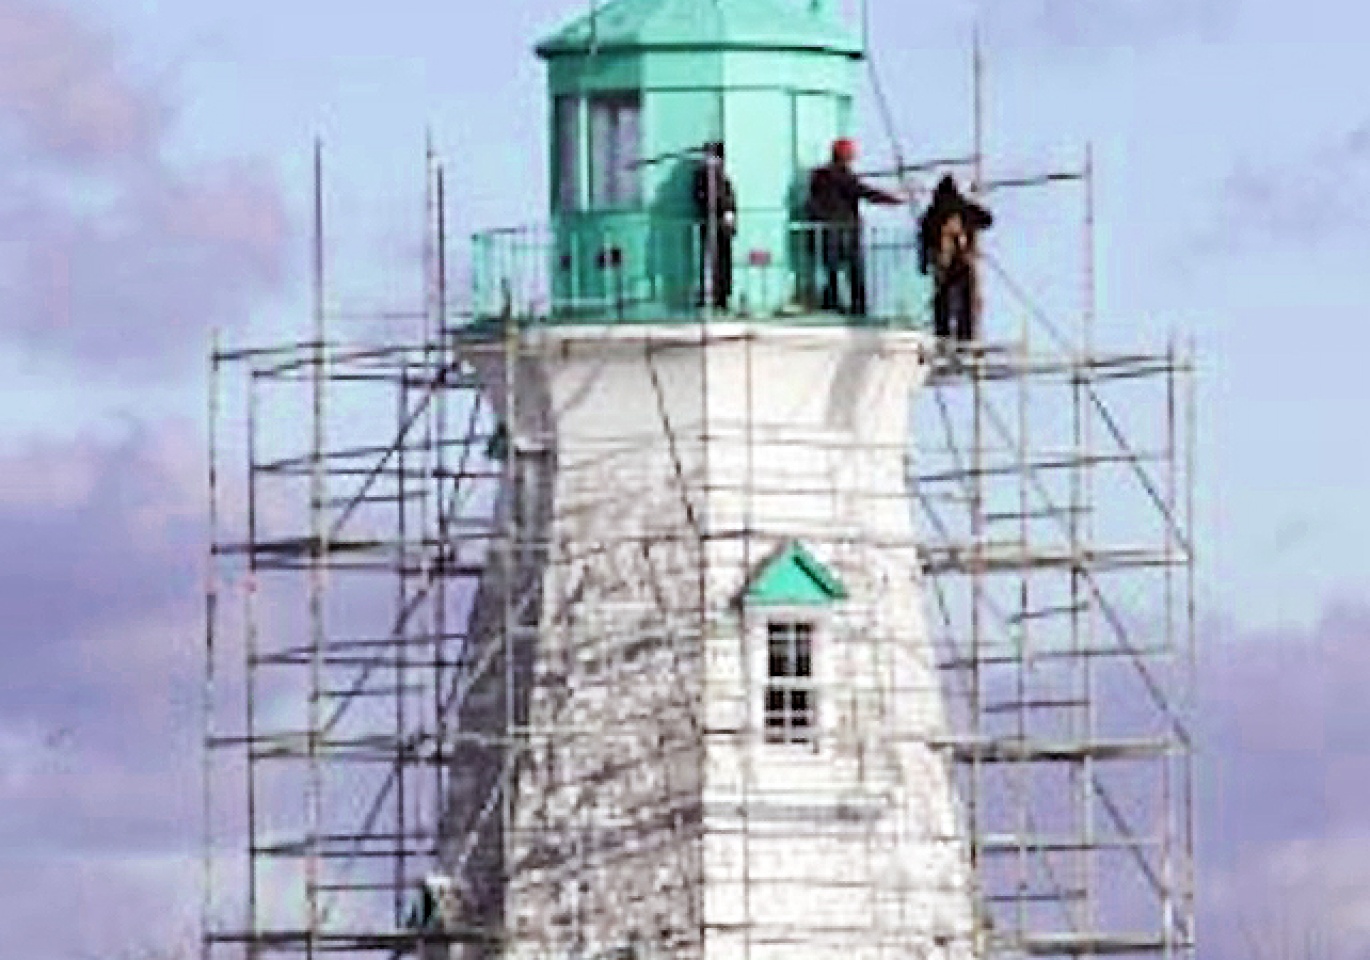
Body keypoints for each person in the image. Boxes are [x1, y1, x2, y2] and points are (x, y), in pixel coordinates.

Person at [807, 137, 905, 316]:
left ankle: (833, 302)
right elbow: (863, 191)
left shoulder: (819, 176)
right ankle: (856, 306)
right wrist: (893, 200)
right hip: (843, 230)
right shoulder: (839, 175)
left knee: (833, 270)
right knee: (853, 270)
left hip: (828, 231)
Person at [918, 174, 993, 342]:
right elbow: (987, 219)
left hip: (942, 264)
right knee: (965, 303)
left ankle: (942, 336)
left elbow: (923, 238)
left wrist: (923, 264)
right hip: (963, 261)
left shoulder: (932, 213)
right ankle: (965, 338)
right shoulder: (964, 208)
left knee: (942, 302)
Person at [692, 140, 737, 311]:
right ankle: (711, 294)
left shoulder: (722, 176)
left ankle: (723, 295)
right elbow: (702, 198)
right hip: (711, 223)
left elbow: (729, 197)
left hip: (723, 226)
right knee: (711, 260)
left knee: (724, 261)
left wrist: (730, 214)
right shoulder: (703, 176)